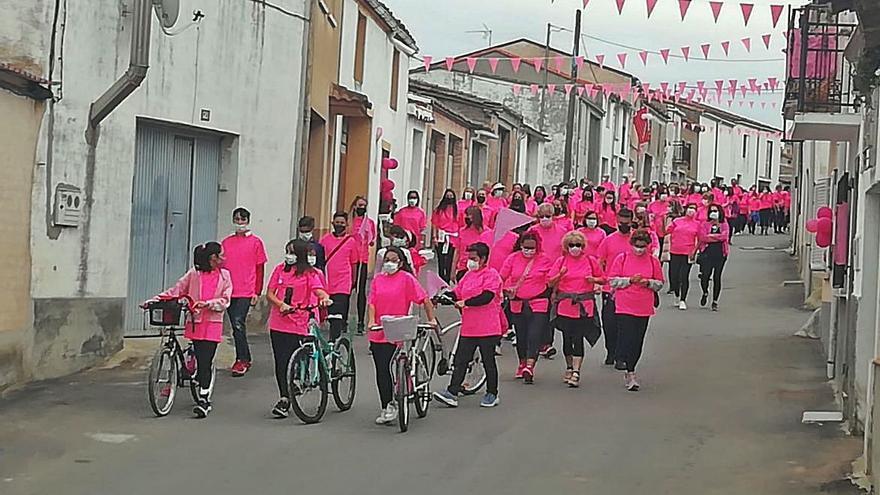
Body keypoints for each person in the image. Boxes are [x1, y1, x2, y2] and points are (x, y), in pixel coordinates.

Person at [153, 242, 232, 418]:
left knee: (205, 360)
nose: (223, 258)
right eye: (220, 255)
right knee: (197, 352)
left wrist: (208, 303)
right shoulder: (194, 274)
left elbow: (225, 300)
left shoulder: (225, 276)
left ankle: (204, 399)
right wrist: (155, 300)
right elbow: (177, 290)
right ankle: (189, 369)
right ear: (213, 258)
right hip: (195, 322)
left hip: (212, 324)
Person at [367, 246, 436, 424]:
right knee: (382, 370)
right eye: (387, 259)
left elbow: (424, 299)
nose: (389, 263)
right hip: (380, 329)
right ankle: (387, 405)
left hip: (399, 329)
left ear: (401, 262)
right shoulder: (378, 280)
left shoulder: (407, 279)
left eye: (393, 260)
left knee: (395, 365)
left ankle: (406, 387)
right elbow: (372, 303)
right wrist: (371, 321)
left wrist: (432, 319)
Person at [265, 239, 332, 418]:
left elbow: (319, 290)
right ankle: (284, 398)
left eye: (293, 252)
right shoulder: (279, 269)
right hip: (279, 321)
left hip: (300, 321)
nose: (289, 256)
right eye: (288, 252)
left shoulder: (310, 273)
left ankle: (297, 380)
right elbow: (270, 293)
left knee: (294, 357)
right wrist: (280, 304)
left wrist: (324, 298)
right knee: (281, 361)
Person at [434, 242, 503, 408]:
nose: (470, 261)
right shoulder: (468, 276)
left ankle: (492, 393)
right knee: (461, 360)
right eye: (468, 258)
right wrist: (442, 297)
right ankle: (452, 392)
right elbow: (457, 292)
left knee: (488, 360)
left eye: (473, 258)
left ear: (483, 258)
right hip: (469, 326)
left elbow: (486, 296)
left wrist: (466, 302)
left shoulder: (491, 275)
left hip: (488, 326)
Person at [607, 230, 664, 392]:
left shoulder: (653, 261)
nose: (639, 249)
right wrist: (630, 280)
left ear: (648, 246)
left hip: (644, 306)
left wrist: (647, 283)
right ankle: (624, 363)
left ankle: (631, 370)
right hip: (624, 304)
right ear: (631, 245)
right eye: (637, 246)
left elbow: (660, 283)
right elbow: (612, 280)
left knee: (638, 340)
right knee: (626, 335)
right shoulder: (622, 259)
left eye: (642, 246)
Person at [548, 231, 605, 388]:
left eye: (578, 245)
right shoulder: (561, 261)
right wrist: (560, 275)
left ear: (583, 246)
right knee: (567, 338)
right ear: (566, 246)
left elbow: (603, 278)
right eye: (571, 245)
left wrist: (593, 280)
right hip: (565, 305)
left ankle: (576, 371)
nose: (575, 248)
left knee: (578, 337)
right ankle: (569, 366)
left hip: (583, 306)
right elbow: (550, 282)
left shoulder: (590, 260)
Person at [500, 232, 553, 384]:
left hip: (539, 301)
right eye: (526, 247)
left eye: (532, 248)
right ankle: (522, 362)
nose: (529, 251)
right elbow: (501, 277)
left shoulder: (544, 260)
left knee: (534, 335)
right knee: (521, 336)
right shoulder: (512, 258)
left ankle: (530, 366)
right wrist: (506, 289)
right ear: (521, 245)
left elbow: (551, 280)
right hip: (517, 303)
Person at [221, 207, 267, 377]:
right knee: (234, 325)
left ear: (248, 221)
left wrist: (257, 291)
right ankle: (245, 356)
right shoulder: (226, 243)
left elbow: (259, 268)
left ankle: (242, 359)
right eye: (237, 219)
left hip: (246, 291)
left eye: (242, 219)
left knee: (238, 324)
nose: (239, 222)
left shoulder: (256, 242)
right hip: (228, 291)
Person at [596, 208, 636, 368]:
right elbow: (600, 261)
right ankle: (610, 351)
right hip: (610, 288)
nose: (624, 225)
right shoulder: (609, 240)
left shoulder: (636, 240)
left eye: (627, 223)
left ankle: (621, 355)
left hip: (629, 289)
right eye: (621, 222)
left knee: (624, 324)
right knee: (609, 323)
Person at [319, 212, 359, 340]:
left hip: (343, 281)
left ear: (346, 224)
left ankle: (334, 339)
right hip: (327, 281)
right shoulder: (325, 240)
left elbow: (354, 263)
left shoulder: (351, 241)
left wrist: (353, 280)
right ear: (332, 223)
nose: (339, 225)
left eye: (342, 223)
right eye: (337, 223)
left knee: (337, 312)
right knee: (330, 311)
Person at [666, 203, 701, 311]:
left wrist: (695, 252)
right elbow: (667, 230)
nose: (691, 211)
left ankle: (683, 299)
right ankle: (676, 294)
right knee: (674, 276)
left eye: (694, 209)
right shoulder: (677, 221)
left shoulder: (697, 224)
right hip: (675, 251)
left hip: (688, 252)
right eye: (690, 208)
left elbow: (699, 239)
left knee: (684, 276)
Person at [351, 196, 376, 334]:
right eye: (359, 205)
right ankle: (343, 321)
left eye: (364, 205)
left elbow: (372, 241)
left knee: (361, 292)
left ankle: (361, 321)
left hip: (362, 260)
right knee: (346, 292)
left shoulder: (369, 223)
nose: (362, 207)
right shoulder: (350, 222)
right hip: (348, 260)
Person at [698, 204, 730, 312]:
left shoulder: (724, 224)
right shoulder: (705, 224)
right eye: (712, 211)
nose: (714, 213)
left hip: (720, 253)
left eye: (715, 211)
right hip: (707, 253)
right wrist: (715, 238)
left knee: (717, 277)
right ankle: (705, 292)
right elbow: (703, 237)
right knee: (705, 275)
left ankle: (715, 301)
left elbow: (724, 237)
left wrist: (711, 237)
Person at [432, 189, 459, 282]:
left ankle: (447, 279)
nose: (449, 198)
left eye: (451, 196)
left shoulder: (457, 210)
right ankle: (440, 278)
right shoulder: (439, 210)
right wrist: (434, 237)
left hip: (453, 238)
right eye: (448, 196)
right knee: (441, 260)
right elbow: (435, 224)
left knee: (449, 260)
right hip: (441, 236)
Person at [453, 206, 486, 281]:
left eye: (469, 215)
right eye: (466, 215)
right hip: (463, 268)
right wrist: (453, 270)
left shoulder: (484, 233)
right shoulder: (462, 231)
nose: (467, 217)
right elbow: (457, 251)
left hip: (478, 269)